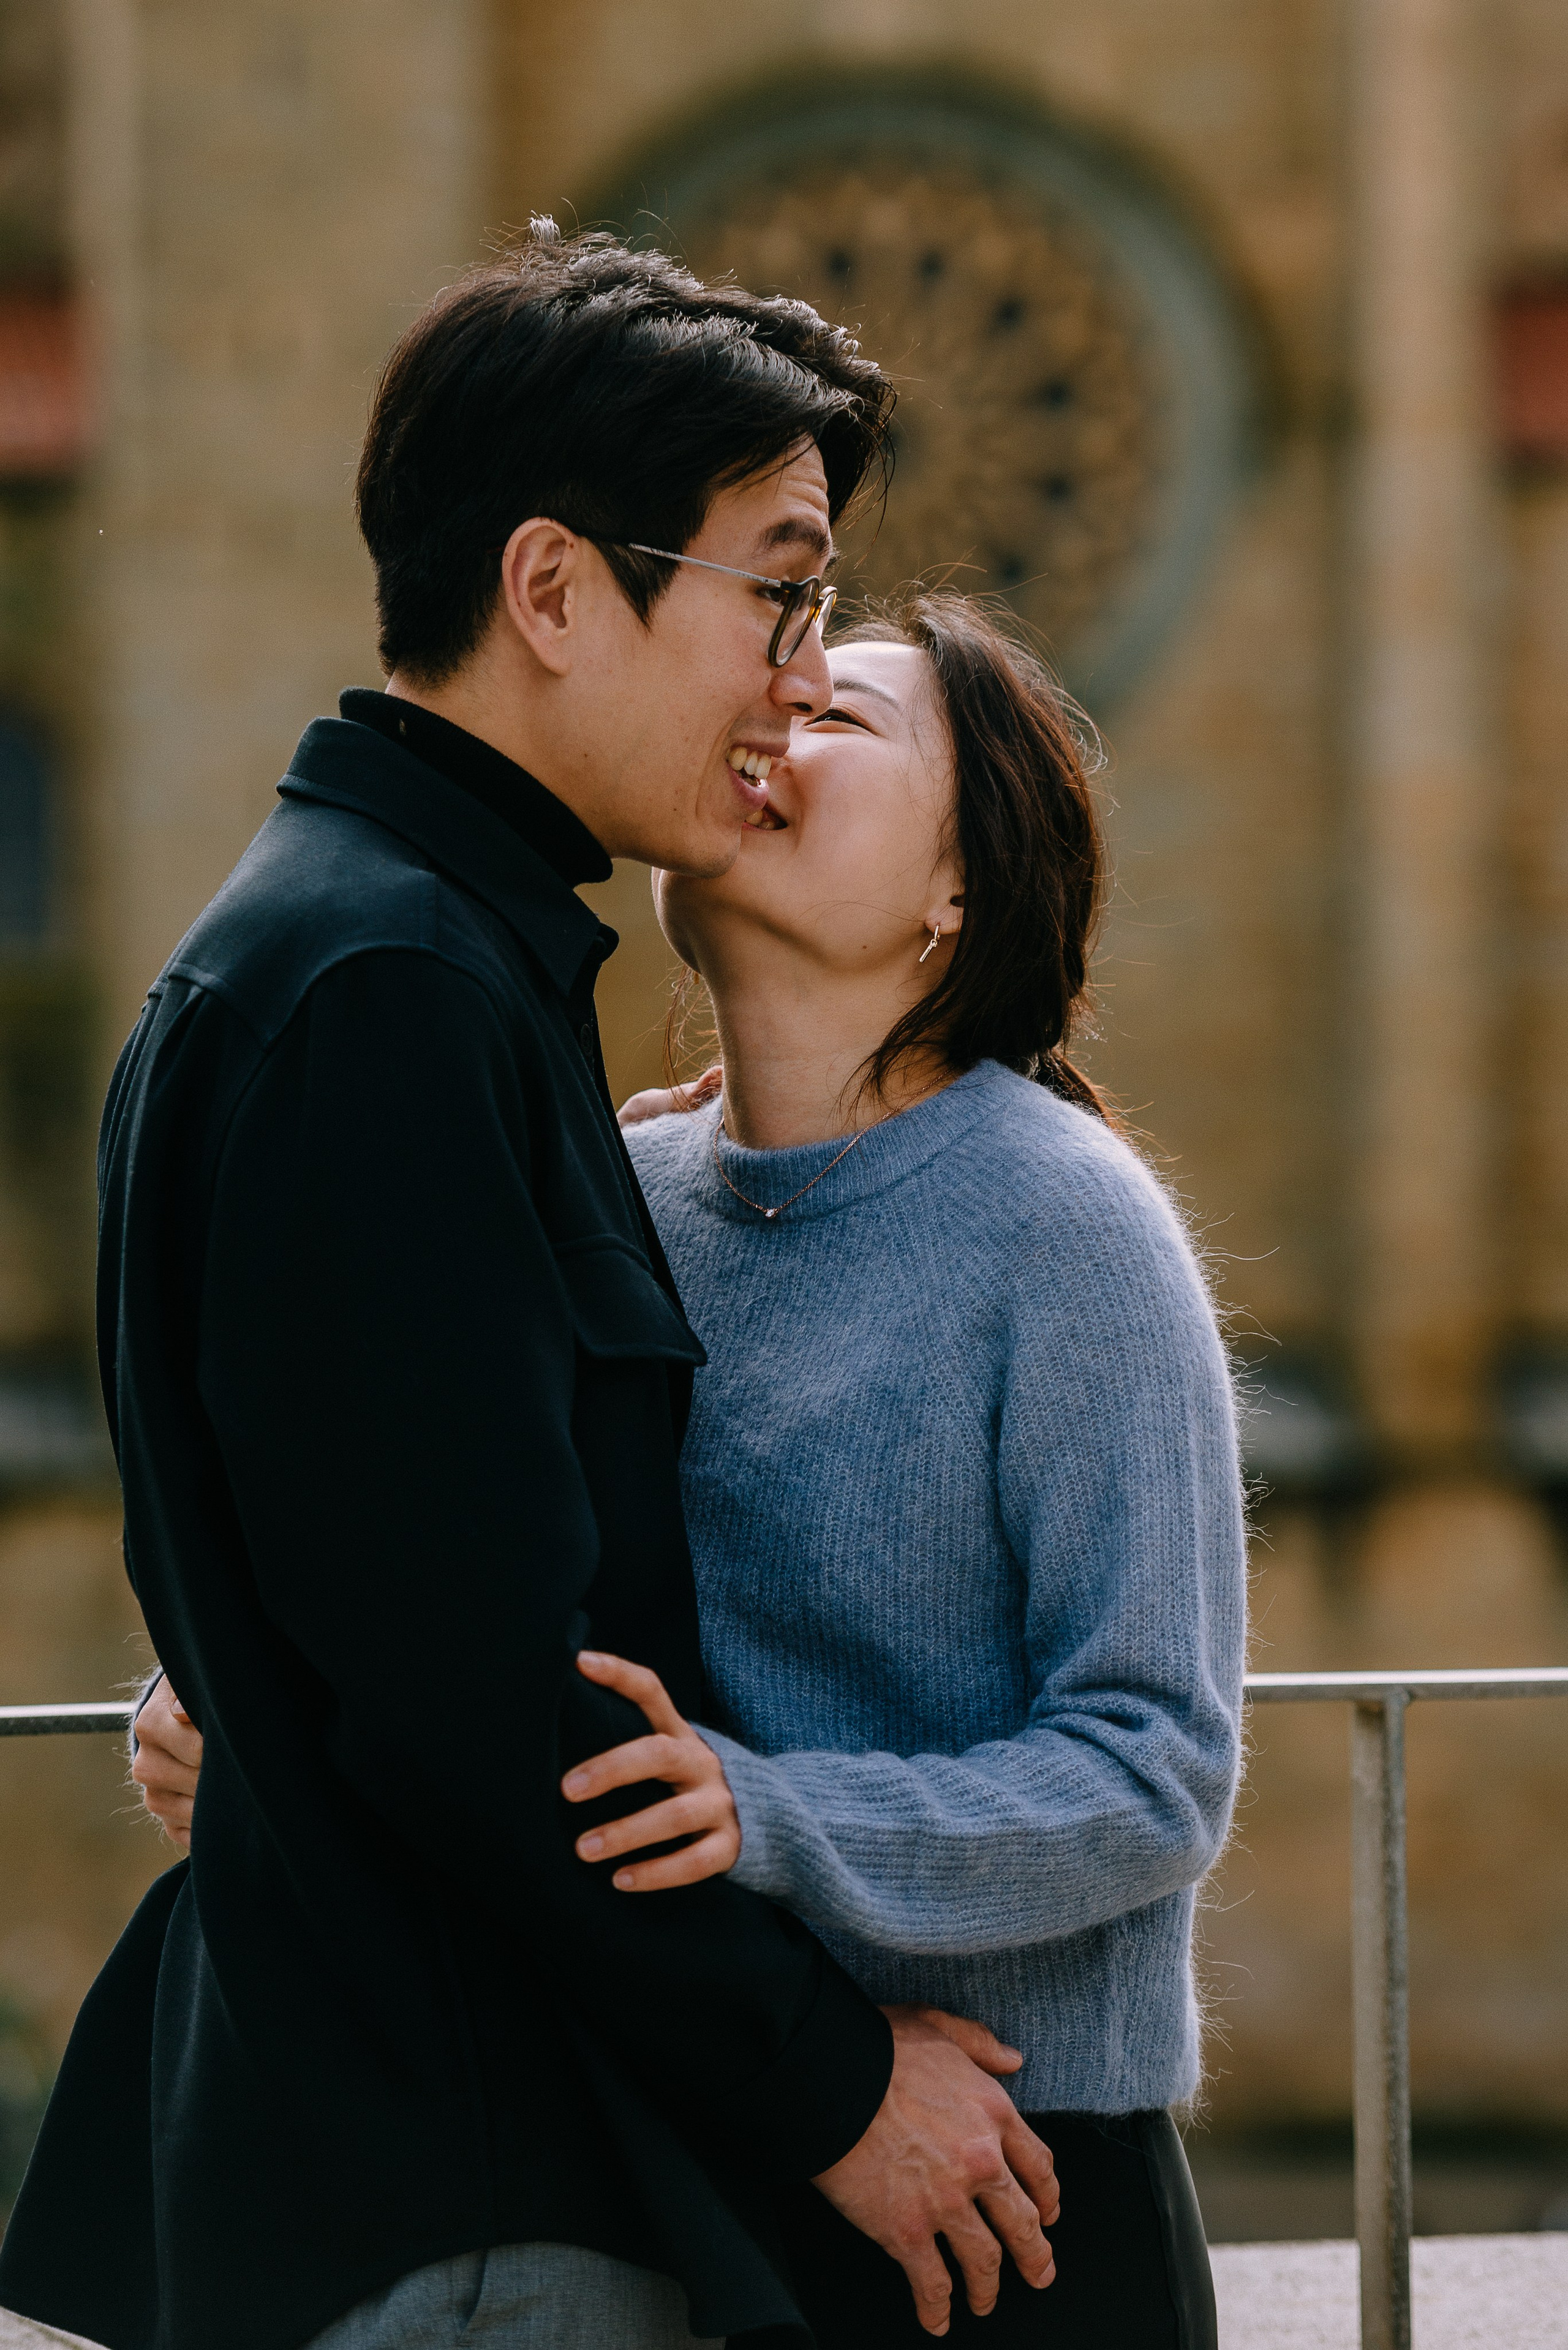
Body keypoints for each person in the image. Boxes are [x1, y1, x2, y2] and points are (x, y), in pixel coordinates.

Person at [0, 235, 1065, 2350]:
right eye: (781, 589)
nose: (799, 671)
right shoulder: (389, 989)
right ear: (557, 589)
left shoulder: (401, 954)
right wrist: (834, 2084)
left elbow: (364, 1576)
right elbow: (484, 1702)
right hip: (468, 2206)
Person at [134, 591, 1248, 2346]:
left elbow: (1159, 1768)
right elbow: (479, 1561)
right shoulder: (629, 1190)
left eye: (847, 717)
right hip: (716, 2146)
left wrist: (772, 1819)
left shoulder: (1067, 1226)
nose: (775, 719)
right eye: (780, 679)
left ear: (965, 887)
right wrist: (269, 1709)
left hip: (1012, 2184)